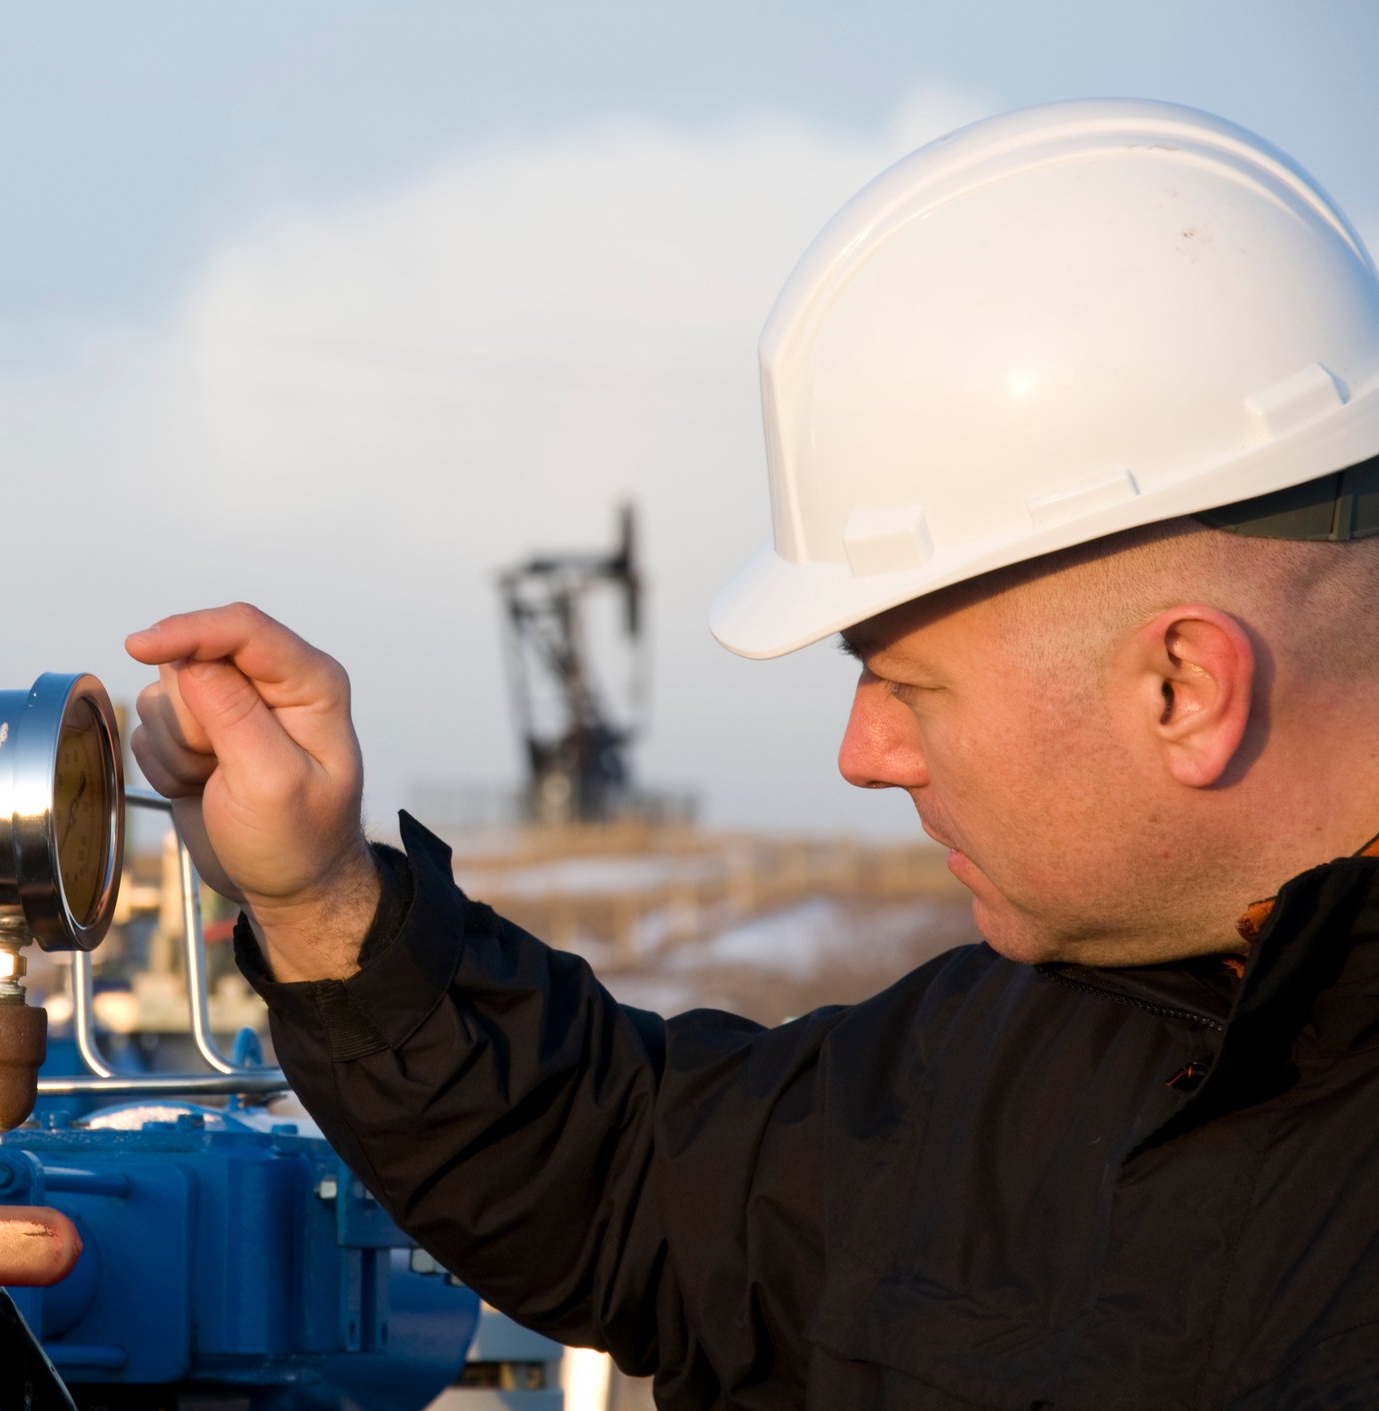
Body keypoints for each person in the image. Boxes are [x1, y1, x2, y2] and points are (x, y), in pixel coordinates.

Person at [124, 99, 1379, 1407]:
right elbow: (624, 1185)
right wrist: (318, 895)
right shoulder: (1014, 1048)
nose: (863, 754)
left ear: (1183, 688)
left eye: (909, 687)